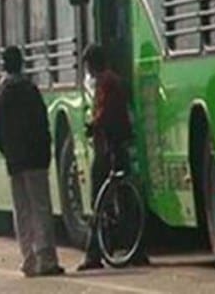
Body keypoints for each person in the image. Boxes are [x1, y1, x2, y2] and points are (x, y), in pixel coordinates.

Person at [0, 46, 64, 277]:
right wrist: (45, 150)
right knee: (40, 207)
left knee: (21, 209)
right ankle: (46, 259)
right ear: (21, 64)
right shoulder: (30, 90)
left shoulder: (0, 94)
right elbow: (42, 123)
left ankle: (28, 259)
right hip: (36, 159)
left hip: (15, 161)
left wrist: (8, 151)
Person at [78, 44, 148, 270]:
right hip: (117, 146)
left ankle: (94, 255)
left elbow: (105, 112)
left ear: (92, 64)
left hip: (109, 148)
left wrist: (93, 125)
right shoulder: (113, 80)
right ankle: (135, 252)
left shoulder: (105, 82)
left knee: (98, 200)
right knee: (123, 201)